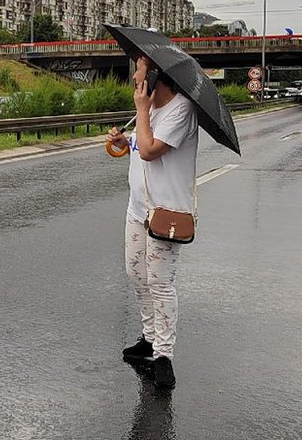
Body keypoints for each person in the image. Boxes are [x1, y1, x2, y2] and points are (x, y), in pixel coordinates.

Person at [106, 55, 199, 389]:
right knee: (137, 276)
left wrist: (142, 112)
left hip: (166, 212)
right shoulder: (150, 110)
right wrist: (124, 140)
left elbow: (150, 150)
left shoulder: (182, 110)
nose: (135, 77)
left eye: (140, 71)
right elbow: (139, 145)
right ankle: (148, 337)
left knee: (160, 283)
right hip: (137, 209)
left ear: (156, 77)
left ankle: (163, 356)